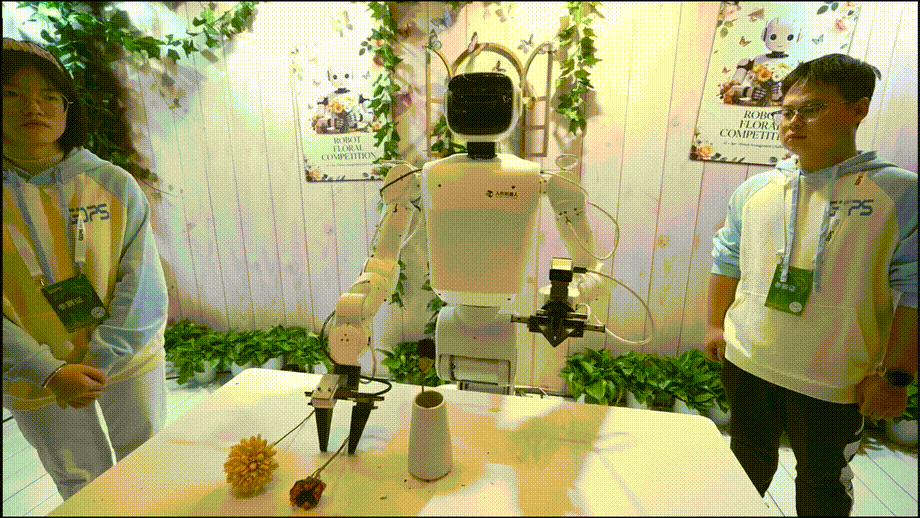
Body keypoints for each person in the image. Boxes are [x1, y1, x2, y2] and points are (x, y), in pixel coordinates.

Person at [706, 53, 917, 516]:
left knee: (822, 482)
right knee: (744, 463)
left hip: (835, 378)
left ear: (859, 109)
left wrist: (896, 377)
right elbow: (726, 259)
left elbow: (915, 291)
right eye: (787, 111)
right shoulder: (756, 190)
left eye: (812, 109)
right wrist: (716, 327)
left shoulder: (900, 193)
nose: (794, 121)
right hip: (749, 362)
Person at [3, 37, 169, 500]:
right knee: (81, 485)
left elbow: (143, 284)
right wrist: (49, 371)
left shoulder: (113, 183)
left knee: (148, 466)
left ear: (68, 108)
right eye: (12, 94)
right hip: (33, 375)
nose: (33, 107)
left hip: (126, 358)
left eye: (49, 95)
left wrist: (98, 360)